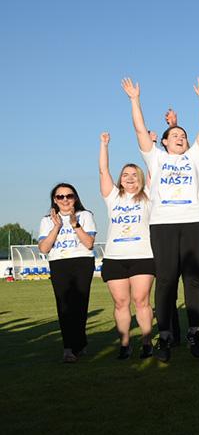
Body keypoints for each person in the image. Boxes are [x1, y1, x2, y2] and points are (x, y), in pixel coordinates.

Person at [122, 76, 199, 362]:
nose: (180, 137)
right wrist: (135, 100)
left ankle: (195, 331)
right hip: (162, 224)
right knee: (167, 280)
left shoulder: (195, 157)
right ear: (163, 141)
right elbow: (138, 129)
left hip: (193, 221)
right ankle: (166, 336)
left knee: (194, 278)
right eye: (175, 135)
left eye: (183, 135)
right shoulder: (156, 159)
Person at [98, 132, 155, 359]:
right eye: (125, 175)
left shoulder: (149, 195)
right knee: (121, 303)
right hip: (115, 257)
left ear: (141, 178)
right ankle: (124, 344)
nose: (130, 178)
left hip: (143, 256)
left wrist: (151, 143)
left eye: (134, 174)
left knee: (141, 301)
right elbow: (103, 171)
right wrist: (104, 145)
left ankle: (147, 342)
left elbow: (154, 165)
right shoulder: (112, 197)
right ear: (120, 180)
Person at [38, 183, 97, 362]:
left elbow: (89, 243)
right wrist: (56, 227)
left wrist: (74, 224)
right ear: (54, 200)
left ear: (75, 197)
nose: (65, 200)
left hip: (82, 262)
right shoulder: (46, 220)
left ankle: (79, 343)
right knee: (64, 305)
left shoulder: (85, 215)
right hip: (59, 263)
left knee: (79, 304)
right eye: (60, 197)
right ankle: (68, 348)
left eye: (69, 196)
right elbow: (44, 248)